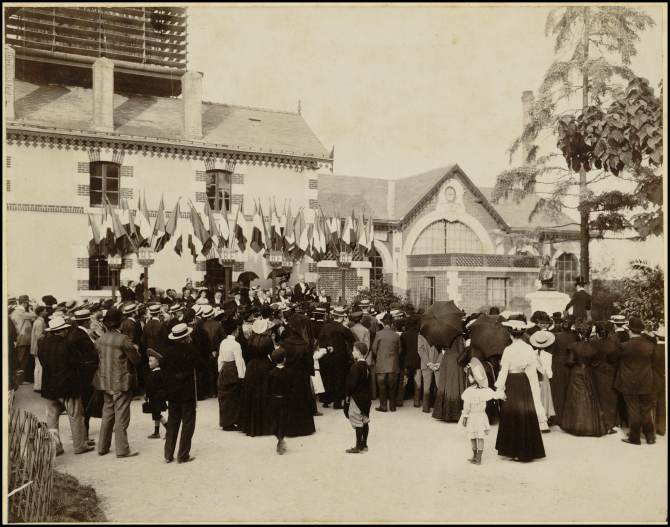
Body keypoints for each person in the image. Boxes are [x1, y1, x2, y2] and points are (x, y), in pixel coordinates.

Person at [38, 316, 94, 456]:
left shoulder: (43, 344)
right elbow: (77, 363)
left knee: (52, 418)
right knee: (75, 416)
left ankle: (55, 446)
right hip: (68, 387)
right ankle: (79, 445)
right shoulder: (68, 344)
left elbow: (43, 362)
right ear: (62, 330)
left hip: (49, 387)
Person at [93, 307, 142, 458]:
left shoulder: (100, 339)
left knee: (107, 413)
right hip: (120, 380)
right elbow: (136, 359)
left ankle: (102, 447)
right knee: (121, 415)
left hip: (104, 380)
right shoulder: (123, 339)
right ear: (120, 324)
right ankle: (122, 449)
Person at [495, 320, 546, 462]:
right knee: (525, 411)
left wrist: (500, 388)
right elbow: (532, 368)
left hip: (511, 380)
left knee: (512, 413)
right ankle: (527, 450)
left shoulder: (508, 350)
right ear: (523, 334)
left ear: (511, 335)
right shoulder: (529, 349)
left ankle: (512, 450)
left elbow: (504, 370)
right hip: (524, 381)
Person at [162, 323, 206, 463]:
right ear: (186, 336)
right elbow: (201, 366)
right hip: (187, 392)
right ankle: (183, 454)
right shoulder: (191, 350)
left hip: (172, 391)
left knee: (173, 421)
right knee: (188, 423)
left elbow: (163, 366)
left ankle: (168, 453)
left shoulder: (168, 351)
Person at [613, 316, 656, 445]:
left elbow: (614, 359)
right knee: (646, 409)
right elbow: (653, 361)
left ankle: (635, 437)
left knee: (633, 409)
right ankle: (650, 436)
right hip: (646, 381)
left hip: (628, 381)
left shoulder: (623, 346)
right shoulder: (650, 345)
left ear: (629, 330)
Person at [559, 321, 607, 437]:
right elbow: (596, 362)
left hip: (577, 372)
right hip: (589, 372)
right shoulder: (593, 347)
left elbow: (570, 361)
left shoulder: (574, 346)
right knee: (589, 397)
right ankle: (590, 426)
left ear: (579, 334)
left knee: (576, 397)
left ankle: (575, 426)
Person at [66, 309, 100, 446]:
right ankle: (83, 437)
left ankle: (84, 436)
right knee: (86, 406)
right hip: (85, 376)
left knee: (85, 406)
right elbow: (87, 356)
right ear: (86, 321)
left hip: (82, 375)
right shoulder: (81, 336)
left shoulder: (75, 333)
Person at [458, 358, 500, 465]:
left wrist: (465, 416)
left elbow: (466, 407)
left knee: (472, 436)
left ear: (474, 378)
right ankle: (479, 458)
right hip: (481, 417)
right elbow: (493, 396)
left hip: (472, 417)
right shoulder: (485, 391)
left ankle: (475, 455)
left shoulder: (469, 392)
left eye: (470, 376)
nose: (469, 377)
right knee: (480, 436)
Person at [281, 315, 316, 437]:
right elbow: (309, 362)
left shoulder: (284, 343)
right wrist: (310, 372)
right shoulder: (304, 345)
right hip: (301, 375)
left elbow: (281, 358)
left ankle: (290, 428)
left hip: (288, 374)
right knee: (302, 400)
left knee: (289, 400)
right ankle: (303, 428)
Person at [239, 318, 274, 436]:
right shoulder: (267, 340)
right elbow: (272, 355)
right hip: (264, 367)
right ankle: (264, 425)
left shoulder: (250, 340)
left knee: (251, 393)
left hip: (251, 367)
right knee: (263, 393)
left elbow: (246, 355)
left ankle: (250, 426)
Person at [318, 307, 355, 409]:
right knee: (339, 379)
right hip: (339, 357)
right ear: (342, 317)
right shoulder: (342, 328)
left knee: (328, 378)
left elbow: (320, 340)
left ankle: (326, 400)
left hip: (326, 356)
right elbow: (352, 338)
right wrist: (347, 326)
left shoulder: (325, 326)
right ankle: (337, 403)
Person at [591, 321, 621, 434]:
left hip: (595, 371)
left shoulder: (593, 342)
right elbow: (615, 359)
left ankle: (598, 423)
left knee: (597, 396)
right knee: (610, 398)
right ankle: (608, 424)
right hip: (609, 372)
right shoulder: (613, 343)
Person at [218, 319, 246, 431]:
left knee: (225, 396)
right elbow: (239, 361)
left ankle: (226, 421)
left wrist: (220, 370)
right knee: (235, 397)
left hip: (225, 369)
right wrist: (242, 376)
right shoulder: (236, 344)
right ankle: (234, 420)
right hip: (233, 369)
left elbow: (220, 359)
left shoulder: (223, 342)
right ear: (235, 330)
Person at [550, 317, 578, 427]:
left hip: (557, 365)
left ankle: (558, 418)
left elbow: (551, 352)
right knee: (569, 390)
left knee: (558, 391)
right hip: (571, 365)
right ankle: (569, 417)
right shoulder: (575, 336)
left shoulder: (556, 336)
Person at [344, 342, 372, 454]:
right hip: (366, 398)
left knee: (356, 419)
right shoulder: (367, 366)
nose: (352, 352)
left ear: (359, 352)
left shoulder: (355, 366)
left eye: (354, 350)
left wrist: (347, 395)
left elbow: (351, 384)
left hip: (356, 397)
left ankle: (357, 446)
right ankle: (364, 444)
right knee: (364, 420)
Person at [433, 334, 467, 423]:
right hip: (455, 360)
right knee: (455, 384)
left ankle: (443, 413)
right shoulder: (459, 336)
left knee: (445, 384)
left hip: (446, 359)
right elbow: (461, 351)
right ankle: (454, 414)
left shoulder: (445, 334)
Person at [372, 314, 401, 412]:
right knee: (392, 387)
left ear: (383, 323)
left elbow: (374, 349)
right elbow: (400, 350)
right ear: (392, 323)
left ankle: (383, 406)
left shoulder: (378, 334)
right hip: (393, 365)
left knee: (382, 387)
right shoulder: (396, 335)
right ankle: (392, 406)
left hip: (381, 364)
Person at [529, 330, 556, 432]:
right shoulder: (548, 355)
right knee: (544, 398)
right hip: (543, 378)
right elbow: (548, 371)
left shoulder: (532, 353)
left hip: (534, 377)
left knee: (535, 397)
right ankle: (544, 420)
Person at [268, 348, 291, 454]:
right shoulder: (288, 373)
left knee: (275, 420)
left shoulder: (271, 373)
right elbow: (291, 388)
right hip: (285, 400)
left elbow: (268, 388)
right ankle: (281, 439)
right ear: (284, 359)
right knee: (283, 420)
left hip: (273, 400)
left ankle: (279, 438)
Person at [11, 295, 37, 385]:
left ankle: (20, 379)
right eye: (27, 303)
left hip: (21, 339)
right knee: (22, 360)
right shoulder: (20, 312)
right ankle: (19, 381)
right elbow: (35, 315)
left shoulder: (15, 312)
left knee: (21, 359)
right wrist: (34, 308)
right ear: (25, 303)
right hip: (23, 339)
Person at [145, 348, 168, 439]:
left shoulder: (156, 373)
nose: (149, 363)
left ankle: (169, 428)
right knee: (155, 415)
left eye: (151, 361)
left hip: (156, 398)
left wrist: (147, 395)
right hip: (156, 397)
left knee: (157, 415)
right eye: (149, 361)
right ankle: (156, 432)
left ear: (157, 363)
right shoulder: (156, 372)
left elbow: (151, 387)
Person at [400, 316, 422, 408]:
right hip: (418, 360)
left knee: (403, 381)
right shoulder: (420, 335)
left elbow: (402, 350)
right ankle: (416, 401)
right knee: (417, 382)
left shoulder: (404, 335)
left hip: (407, 361)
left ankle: (399, 400)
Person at [417, 332, 440, 413]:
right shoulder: (440, 334)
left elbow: (420, 350)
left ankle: (426, 407)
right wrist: (437, 362)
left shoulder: (421, 336)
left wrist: (428, 363)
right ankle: (437, 408)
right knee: (438, 386)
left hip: (427, 365)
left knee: (427, 387)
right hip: (436, 364)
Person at [651, 326, 665, 436]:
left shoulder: (654, 349)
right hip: (664, 378)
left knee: (653, 403)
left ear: (657, 337)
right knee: (663, 403)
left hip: (655, 379)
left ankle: (652, 428)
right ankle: (662, 428)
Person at [31, 305, 48, 392]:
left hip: (36, 348)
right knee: (39, 367)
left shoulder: (38, 321)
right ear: (41, 312)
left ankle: (38, 386)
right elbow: (39, 336)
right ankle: (38, 386)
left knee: (38, 367)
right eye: (45, 311)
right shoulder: (40, 322)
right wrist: (47, 334)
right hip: (38, 348)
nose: (46, 312)